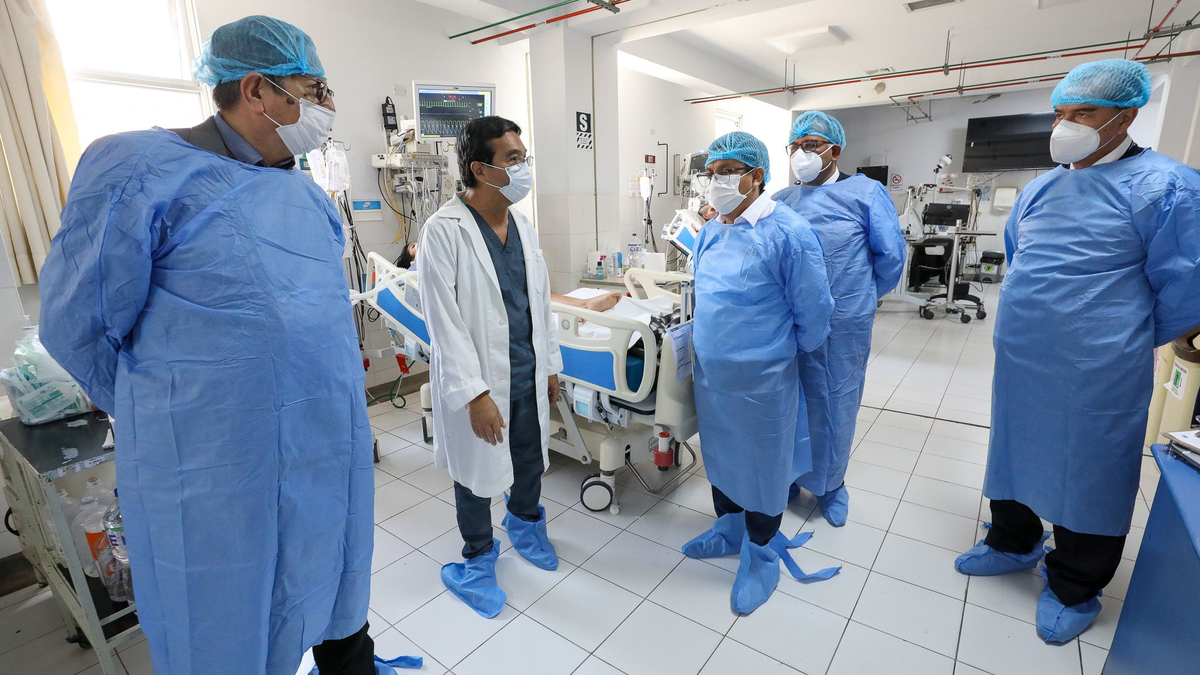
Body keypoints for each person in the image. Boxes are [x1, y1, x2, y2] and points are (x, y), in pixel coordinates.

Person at [38, 16, 385, 675]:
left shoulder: (301, 192)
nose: (329, 107)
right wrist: (177, 407)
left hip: (324, 448)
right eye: (316, 89)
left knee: (336, 605)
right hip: (214, 466)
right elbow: (75, 321)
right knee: (226, 630)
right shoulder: (138, 169)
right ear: (256, 89)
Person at [955, 59, 1200, 644]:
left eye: (1082, 112)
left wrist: (1117, 331)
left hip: (1100, 365)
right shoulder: (1043, 186)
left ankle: (1074, 582)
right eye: (1060, 113)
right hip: (1023, 356)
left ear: (1126, 115)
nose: (1066, 125)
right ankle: (1012, 539)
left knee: (1090, 467)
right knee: (1014, 446)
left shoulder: (1168, 187)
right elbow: (1021, 257)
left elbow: (1187, 286)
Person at [680, 131, 837, 614]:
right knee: (722, 457)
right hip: (713, 379)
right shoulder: (710, 231)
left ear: (757, 176)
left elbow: (814, 314)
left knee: (763, 467)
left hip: (764, 383)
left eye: (727, 172)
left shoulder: (787, 232)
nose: (717, 182)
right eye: (711, 173)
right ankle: (727, 529)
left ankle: (761, 552)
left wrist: (769, 357)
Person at [419, 116, 563, 618]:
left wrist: (550, 366)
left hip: (526, 370)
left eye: (524, 158)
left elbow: (537, 303)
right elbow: (445, 322)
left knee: (528, 458)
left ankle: (525, 523)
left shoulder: (523, 225)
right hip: (478, 381)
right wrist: (474, 394)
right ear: (481, 169)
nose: (524, 168)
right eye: (513, 160)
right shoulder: (443, 231)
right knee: (474, 472)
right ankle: (478, 556)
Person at [774, 112, 906, 526]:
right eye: (795, 146)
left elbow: (891, 259)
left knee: (834, 401)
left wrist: (857, 298)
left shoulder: (866, 193)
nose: (802, 153)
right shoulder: (782, 200)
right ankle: (788, 477)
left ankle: (831, 485)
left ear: (835, 149)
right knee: (789, 401)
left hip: (842, 322)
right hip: (788, 323)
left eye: (811, 144)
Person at [398, 239, 621, 311]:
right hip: (479, 300)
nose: (422, 244)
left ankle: (582, 303)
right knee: (526, 297)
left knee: (535, 289)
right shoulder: (413, 272)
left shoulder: (444, 256)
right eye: (414, 246)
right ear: (411, 259)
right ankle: (581, 306)